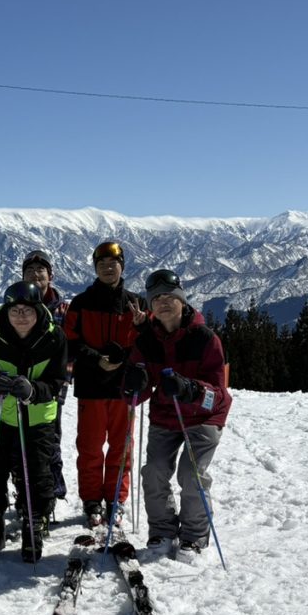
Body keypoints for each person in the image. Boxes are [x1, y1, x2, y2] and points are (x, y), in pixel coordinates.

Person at [121, 269, 232, 563]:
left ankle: (194, 537)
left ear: (182, 300)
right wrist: (135, 384)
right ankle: (162, 531)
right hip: (166, 415)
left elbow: (217, 395)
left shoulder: (205, 339)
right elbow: (136, 393)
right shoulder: (146, 342)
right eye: (157, 299)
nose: (164, 303)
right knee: (154, 471)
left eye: (170, 297)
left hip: (204, 417)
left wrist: (190, 389)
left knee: (190, 473)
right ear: (150, 306)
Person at [0, 282, 68, 562]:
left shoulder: (53, 337)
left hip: (38, 416)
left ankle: (34, 523)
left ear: (39, 310)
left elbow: (57, 381)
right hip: (0, 414)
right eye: (15, 310)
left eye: (27, 310)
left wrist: (33, 390)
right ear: (7, 310)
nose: (21, 316)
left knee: (37, 473)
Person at [63, 241, 146, 528]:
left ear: (122, 266)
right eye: (102, 265)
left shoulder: (136, 303)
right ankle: (91, 500)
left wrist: (142, 327)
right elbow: (69, 342)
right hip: (92, 385)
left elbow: (148, 345)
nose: (108, 269)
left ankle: (115, 499)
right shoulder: (81, 303)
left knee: (121, 447)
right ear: (95, 269)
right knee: (90, 447)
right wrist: (96, 359)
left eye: (113, 264)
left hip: (123, 387)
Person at [21, 249, 70, 501]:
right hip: (23, 383)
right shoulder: (18, 306)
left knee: (49, 435)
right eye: (30, 271)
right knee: (23, 435)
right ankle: (26, 487)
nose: (35, 275)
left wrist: (65, 374)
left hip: (53, 384)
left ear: (50, 276)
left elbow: (71, 346)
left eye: (40, 271)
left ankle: (52, 484)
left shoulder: (63, 309)